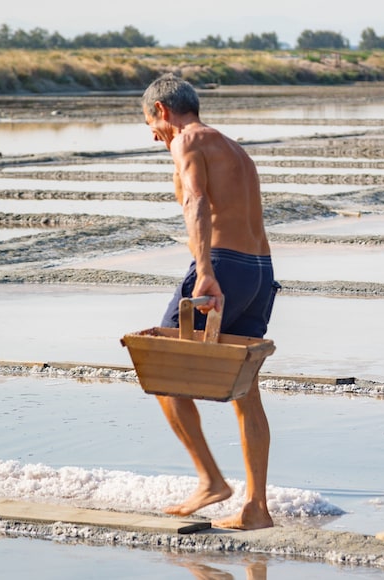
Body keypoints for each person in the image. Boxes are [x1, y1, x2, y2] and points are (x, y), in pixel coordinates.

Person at [141, 73, 279, 530]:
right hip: (260, 271)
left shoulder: (187, 141)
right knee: (246, 392)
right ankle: (256, 509)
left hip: (222, 266)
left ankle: (211, 481)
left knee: (161, 372)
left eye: (150, 123)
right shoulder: (234, 148)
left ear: (162, 110)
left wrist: (205, 272)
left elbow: (198, 202)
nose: (153, 135)